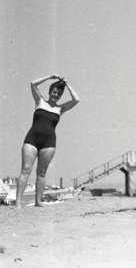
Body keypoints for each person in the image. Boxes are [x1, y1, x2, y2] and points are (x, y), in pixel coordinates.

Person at [16, 75, 81, 207]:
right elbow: (33, 83)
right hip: (31, 139)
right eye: (54, 92)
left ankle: (38, 201)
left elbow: (76, 99)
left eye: (59, 94)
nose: (56, 95)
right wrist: (50, 77)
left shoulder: (60, 108)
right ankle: (18, 202)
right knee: (26, 170)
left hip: (49, 143)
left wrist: (67, 84)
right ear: (50, 91)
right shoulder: (39, 101)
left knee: (42, 173)